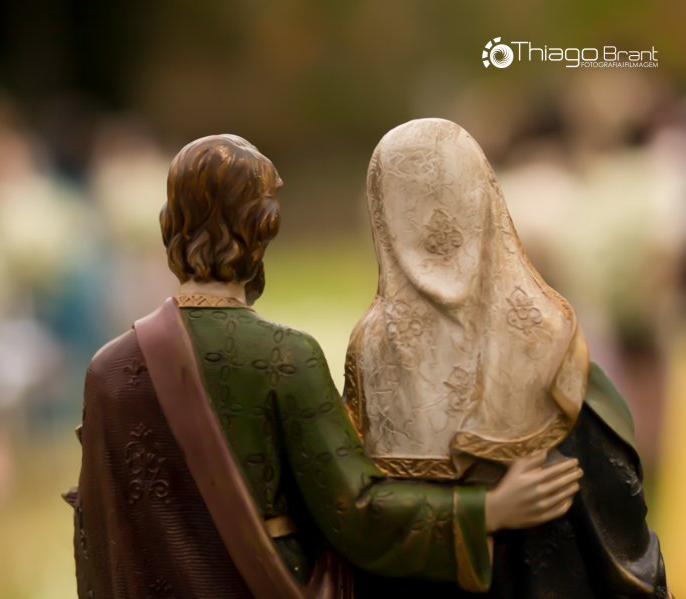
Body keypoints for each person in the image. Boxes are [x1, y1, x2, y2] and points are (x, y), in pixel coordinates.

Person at [67, 134, 583, 598]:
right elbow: (353, 510)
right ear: (262, 227)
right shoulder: (285, 356)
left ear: (168, 223)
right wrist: (485, 512)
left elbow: (95, 529)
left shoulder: (106, 369)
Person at [344, 118, 669, 598]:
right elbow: (615, 495)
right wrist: (485, 512)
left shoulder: (372, 343)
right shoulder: (547, 332)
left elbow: (357, 505)